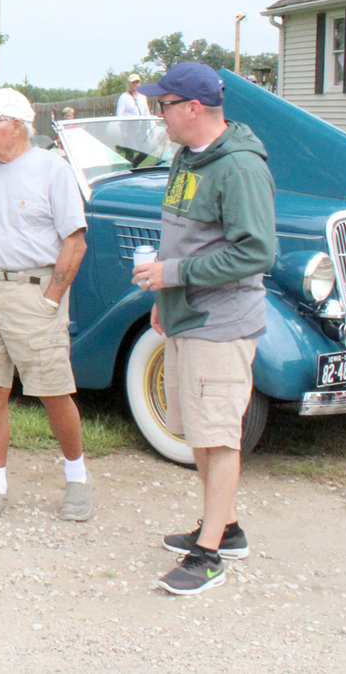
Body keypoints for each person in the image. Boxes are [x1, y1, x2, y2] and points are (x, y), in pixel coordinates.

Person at [132, 62, 276, 596]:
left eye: (163, 105)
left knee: (217, 437)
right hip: (185, 314)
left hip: (221, 322)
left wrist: (174, 275)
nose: (158, 114)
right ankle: (227, 526)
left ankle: (210, 554)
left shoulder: (238, 167)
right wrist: (166, 299)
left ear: (193, 108)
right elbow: (184, 238)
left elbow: (256, 251)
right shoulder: (185, 157)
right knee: (197, 428)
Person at [0, 87, 92, 525]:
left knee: (53, 390)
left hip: (34, 293)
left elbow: (75, 241)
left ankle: (77, 479)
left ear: (15, 125)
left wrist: (51, 299)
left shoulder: (53, 170)